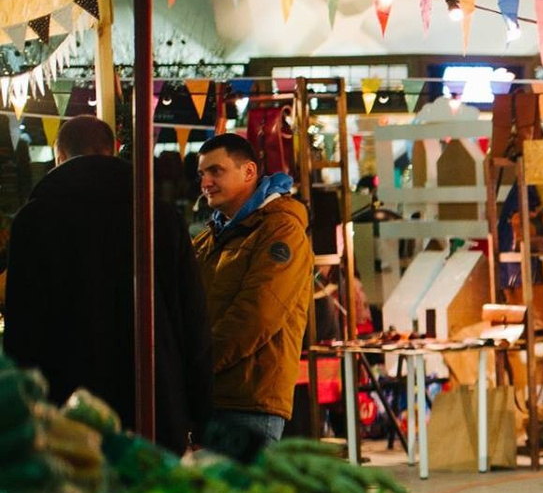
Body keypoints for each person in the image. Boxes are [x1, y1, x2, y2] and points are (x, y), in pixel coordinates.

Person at [3, 116, 211, 452]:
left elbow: (22, 328)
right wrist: (200, 412)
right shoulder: (158, 215)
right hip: (153, 402)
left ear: (59, 155)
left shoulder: (34, 220)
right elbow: (192, 317)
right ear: (114, 150)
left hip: (67, 411)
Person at [193, 132, 313, 460]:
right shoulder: (209, 237)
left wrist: (197, 364)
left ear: (248, 172)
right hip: (211, 395)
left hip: (250, 402)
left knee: (240, 492)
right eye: (201, 174)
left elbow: (258, 315)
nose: (205, 182)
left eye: (215, 171)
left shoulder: (281, 229)